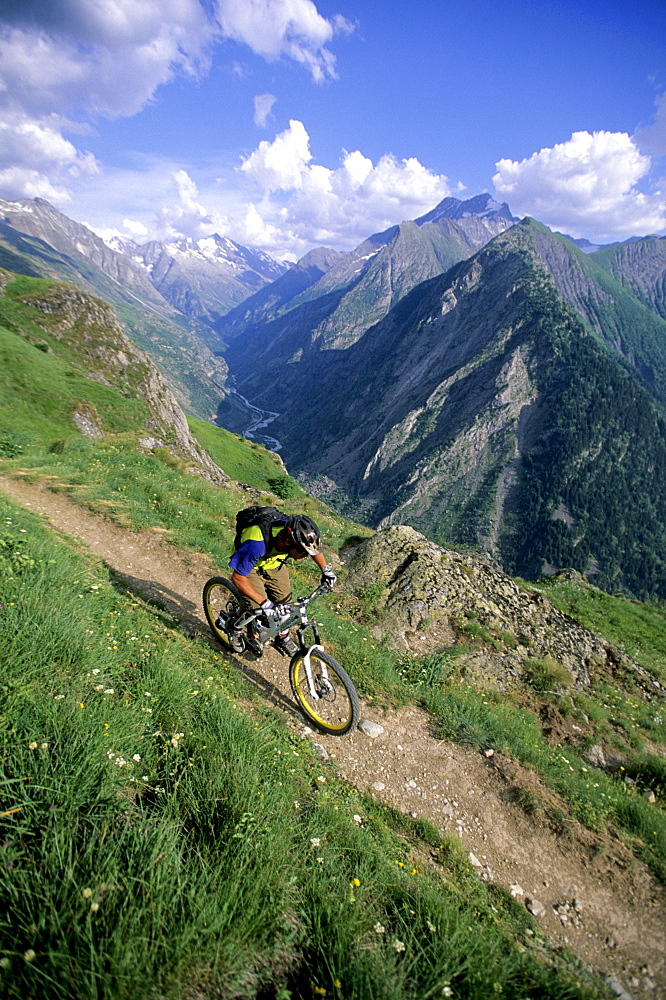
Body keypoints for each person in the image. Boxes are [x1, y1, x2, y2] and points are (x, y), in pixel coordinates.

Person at [229, 512, 336, 656]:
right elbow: (237, 578)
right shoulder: (256, 543)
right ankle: (234, 627)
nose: (304, 557)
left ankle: (282, 637)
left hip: (274, 564)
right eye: (302, 553)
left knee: (285, 603)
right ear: (287, 542)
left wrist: (326, 570)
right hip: (251, 567)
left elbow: (312, 548)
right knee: (255, 607)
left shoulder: (296, 535)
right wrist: (264, 602)